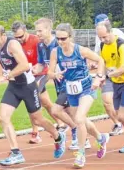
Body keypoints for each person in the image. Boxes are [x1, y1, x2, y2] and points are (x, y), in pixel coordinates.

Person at [0, 24, 66, 166]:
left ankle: (58, 136)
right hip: (14, 86)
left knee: (37, 119)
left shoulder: (12, 44)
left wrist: (6, 76)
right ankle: (16, 152)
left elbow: (24, 65)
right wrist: (7, 74)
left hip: (28, 86)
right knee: (3, 118)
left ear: (3, 35)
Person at [48, 23, 109, 169]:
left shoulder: (81, 50)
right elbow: (49, 72)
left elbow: (100, 60)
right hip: (71, 89)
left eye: (63, 38)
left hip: (86, 87)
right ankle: (101, 138)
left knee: (79, 119)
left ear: (70, 37)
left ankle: (81, 154)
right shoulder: (56, 52)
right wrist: (55, 74)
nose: (60, 42)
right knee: (80, 121)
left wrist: (98, 77)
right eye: (58, 39)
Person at [33, 18, 89, 151]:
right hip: (59, 84)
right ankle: (88, 136)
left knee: (64, 111)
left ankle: (81, 136)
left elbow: (76, 57)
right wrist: (35, 69)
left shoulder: (59, 44)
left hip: (70, 83)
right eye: (36, 31)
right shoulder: (40, 46)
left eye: (40, 30)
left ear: (48, 30)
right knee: (67, 112)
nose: (38, 33)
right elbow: (43, 64)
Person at [11, 21, 70, 144]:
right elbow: (40, 61)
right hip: (34, 74)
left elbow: (46, 63)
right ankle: (60, 124)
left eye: (21, 36)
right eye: (16, 37)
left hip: (44, 74)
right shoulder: (33, 44)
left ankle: (37, 131)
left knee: (33, 98)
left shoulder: (37, 41)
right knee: (47, 104)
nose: (19, 39)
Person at [96, 21, 124, 153]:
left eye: (105, 36)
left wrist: (107, 76)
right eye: (100, 38)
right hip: (117, 83)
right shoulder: (103, 46)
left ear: (111, 32)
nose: (103, 40)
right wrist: (100, 73)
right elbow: (103, 62)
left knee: (122, 116)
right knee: (119, 113)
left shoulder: (122, 46)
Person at [94, 14, 124, 136]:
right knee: (107, 102)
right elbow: (98, 57)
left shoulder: (119, 35)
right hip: (108, 75)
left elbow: (122, 54)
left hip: (121, 74)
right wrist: (97, 69)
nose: (102, 39)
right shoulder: (99, 38)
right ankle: (118, 124)